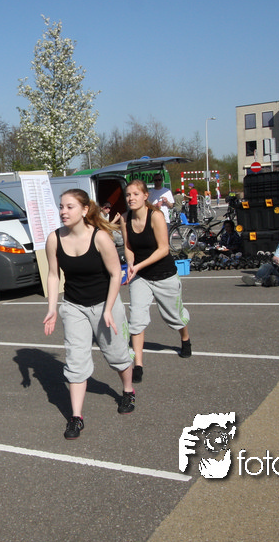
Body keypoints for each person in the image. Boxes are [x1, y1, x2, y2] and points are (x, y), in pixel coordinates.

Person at [43, 189, 135, 440]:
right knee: (76, 362)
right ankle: (76, 417)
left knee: (117, 355)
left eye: (69, 207)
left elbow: (116, 274)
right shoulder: (54, 239)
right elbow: (53, 275)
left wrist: (109, 309)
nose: (63, 212)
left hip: (105, 303)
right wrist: (52, 308)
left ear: (84, 210)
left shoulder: (100, 237)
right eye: (61, 206)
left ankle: (128, 390)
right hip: (74, 306)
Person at [121, 180, 191, 385]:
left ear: (145, 196)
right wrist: (131, 265)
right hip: (141, 277)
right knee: (136, 319)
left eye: (135, 194)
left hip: (164, 274)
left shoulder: (156, 216)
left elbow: (163, 249)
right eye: (128, 195)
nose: (131, 198)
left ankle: (185, 338)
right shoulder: (125, 218)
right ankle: (138, 364)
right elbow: (128, 246)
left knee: (174, 317)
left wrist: (138, 266)